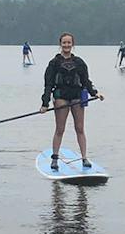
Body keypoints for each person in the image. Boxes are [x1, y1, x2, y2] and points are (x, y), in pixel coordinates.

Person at [41, 33, 101, 169]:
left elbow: (86, 81)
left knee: (80, 128)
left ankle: (84, 158)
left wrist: (95, 93)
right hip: (61, 97)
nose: (66, 45)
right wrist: (45, 104)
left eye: (69, 43)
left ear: (73, 44)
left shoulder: (79, 63)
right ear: (60, 44)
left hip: (77, 98)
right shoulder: (54, 63)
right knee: (60, 129)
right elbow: (48, 84)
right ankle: (55, 158)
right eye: (64, 43)